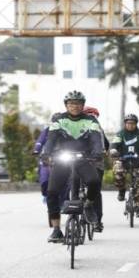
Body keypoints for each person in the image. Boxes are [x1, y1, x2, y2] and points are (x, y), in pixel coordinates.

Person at [41, 90, 105, 243]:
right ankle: (56, 229)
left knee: (94, 182)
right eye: (71, 104)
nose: (74, 106)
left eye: (77, 104)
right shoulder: (59, 121)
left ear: (82, 105)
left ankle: (89, 205)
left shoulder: (91, 121)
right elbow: (51, 139)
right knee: (51, 192)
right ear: (66, 105)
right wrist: (46, 153)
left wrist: (98, 152)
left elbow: (96, 139)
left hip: (84, 158)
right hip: (63, 159)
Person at [110, 113, 139, 219]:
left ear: (136, 124)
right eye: (128, 123)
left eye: (133, 123)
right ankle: (122, 190)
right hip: (122, 159)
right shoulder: (120, 134)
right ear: (125, 124)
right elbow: (114, 144)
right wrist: (113, 150)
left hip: (138, 160)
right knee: (118, 173)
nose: (130, 125)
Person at [83, 106, 110, 232]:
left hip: (95, 163)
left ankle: (98, 221)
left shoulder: (98, 129)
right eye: (88, 114)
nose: (91, 117)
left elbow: (106, 144)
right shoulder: (77, 127)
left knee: (96, 190)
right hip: (77, 162)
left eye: (94, 115)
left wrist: (101, 152)